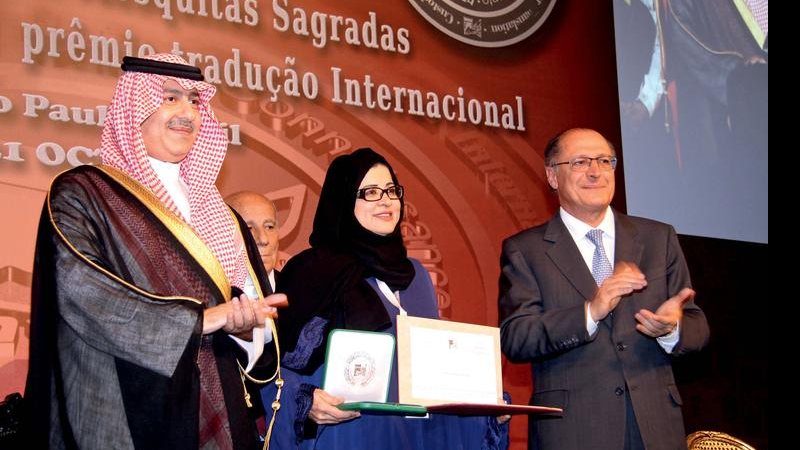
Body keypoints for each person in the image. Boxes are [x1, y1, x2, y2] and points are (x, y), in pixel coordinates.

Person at [23, 53, 287, 450]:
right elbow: (81, 295)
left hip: (218, 409)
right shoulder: (84, 194)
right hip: (125, 412)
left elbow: (248, 326)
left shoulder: (223, 215)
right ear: (135, 107)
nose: (187, 112)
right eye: (169, 98)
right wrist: (199, 320)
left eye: (195, 102)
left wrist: (248, 326)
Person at [261, 147, 508, 450]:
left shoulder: (415, 275)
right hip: (345, 435)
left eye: (391, 190)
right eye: (371, 192)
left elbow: (431, 373)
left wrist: (481, 404)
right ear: (344, 200)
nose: (387, 200)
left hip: (415, 436)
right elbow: (268, 362)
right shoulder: (311, 271)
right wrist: (304, 400)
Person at [498, 128, 709, 450]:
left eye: (604, 161)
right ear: (553, 176)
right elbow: (516, 337)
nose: (595, 172)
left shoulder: (658, 238)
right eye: (581, 162)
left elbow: (696, 327)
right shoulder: (525, 250)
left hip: (655, 428)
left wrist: (671, 329)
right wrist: (589, 312)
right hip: (572, 430)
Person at [227, 191, 281, 291]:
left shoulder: (300, 292)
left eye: (269, 227)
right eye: (249, 228)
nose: (263, 239)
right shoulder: (209, 299)